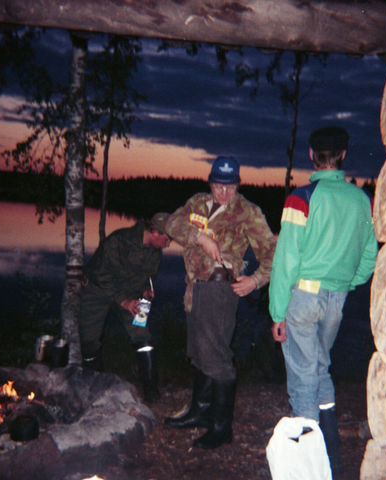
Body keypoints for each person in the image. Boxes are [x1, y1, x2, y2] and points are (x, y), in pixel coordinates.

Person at [268, 126, 377, 475]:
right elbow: (369, 255)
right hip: (336, 299)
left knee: (303, 380)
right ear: (343, 156)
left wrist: (276, 311)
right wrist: (347, 282)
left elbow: (286, 259)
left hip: (303, 296)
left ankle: (310, 468)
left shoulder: (301, 197)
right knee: (319, 366)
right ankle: (334, 461)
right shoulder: (362, 200)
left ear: (312, 156)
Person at [164, 156, 276, 449]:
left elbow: (273, 251)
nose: (224, 193)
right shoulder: (197, 203)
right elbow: (171, 223)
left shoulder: (248, 212)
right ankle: (200, 412)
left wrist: (255, 280)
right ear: (210, 181)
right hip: (195, 289)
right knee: (200, 353)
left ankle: (221, 427)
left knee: (217, 357)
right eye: (218, 185)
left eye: (230, 186)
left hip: (220, 291)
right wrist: (200, 238)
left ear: (238, 183)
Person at [79, 212, 171, 403]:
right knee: (89, 341)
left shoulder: (156, 251)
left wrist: (147, 289)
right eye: (167, 238)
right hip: (97, 289)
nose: (168, 243)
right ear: (155, 232)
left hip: (130, 294)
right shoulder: (119, 241)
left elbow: (150, 276)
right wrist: (123, 301)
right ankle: (96, 391)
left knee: (143, 335)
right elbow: (102, 275)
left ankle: (151, 392)